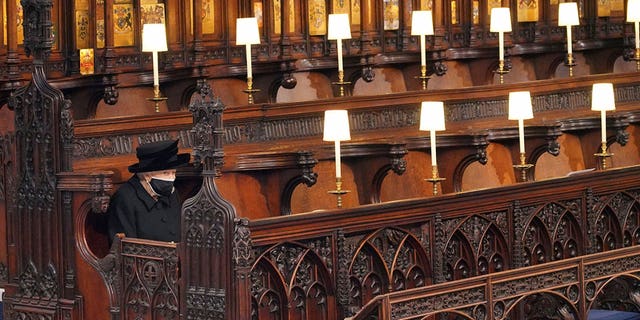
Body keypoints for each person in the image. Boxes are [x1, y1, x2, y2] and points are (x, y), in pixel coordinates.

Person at [107, 139, 190, 243]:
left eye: (173, 172)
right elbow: (125, 249)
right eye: (165, 173)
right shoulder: (125, 199)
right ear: (147, 175)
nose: (171, 178)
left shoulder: (173, 193)